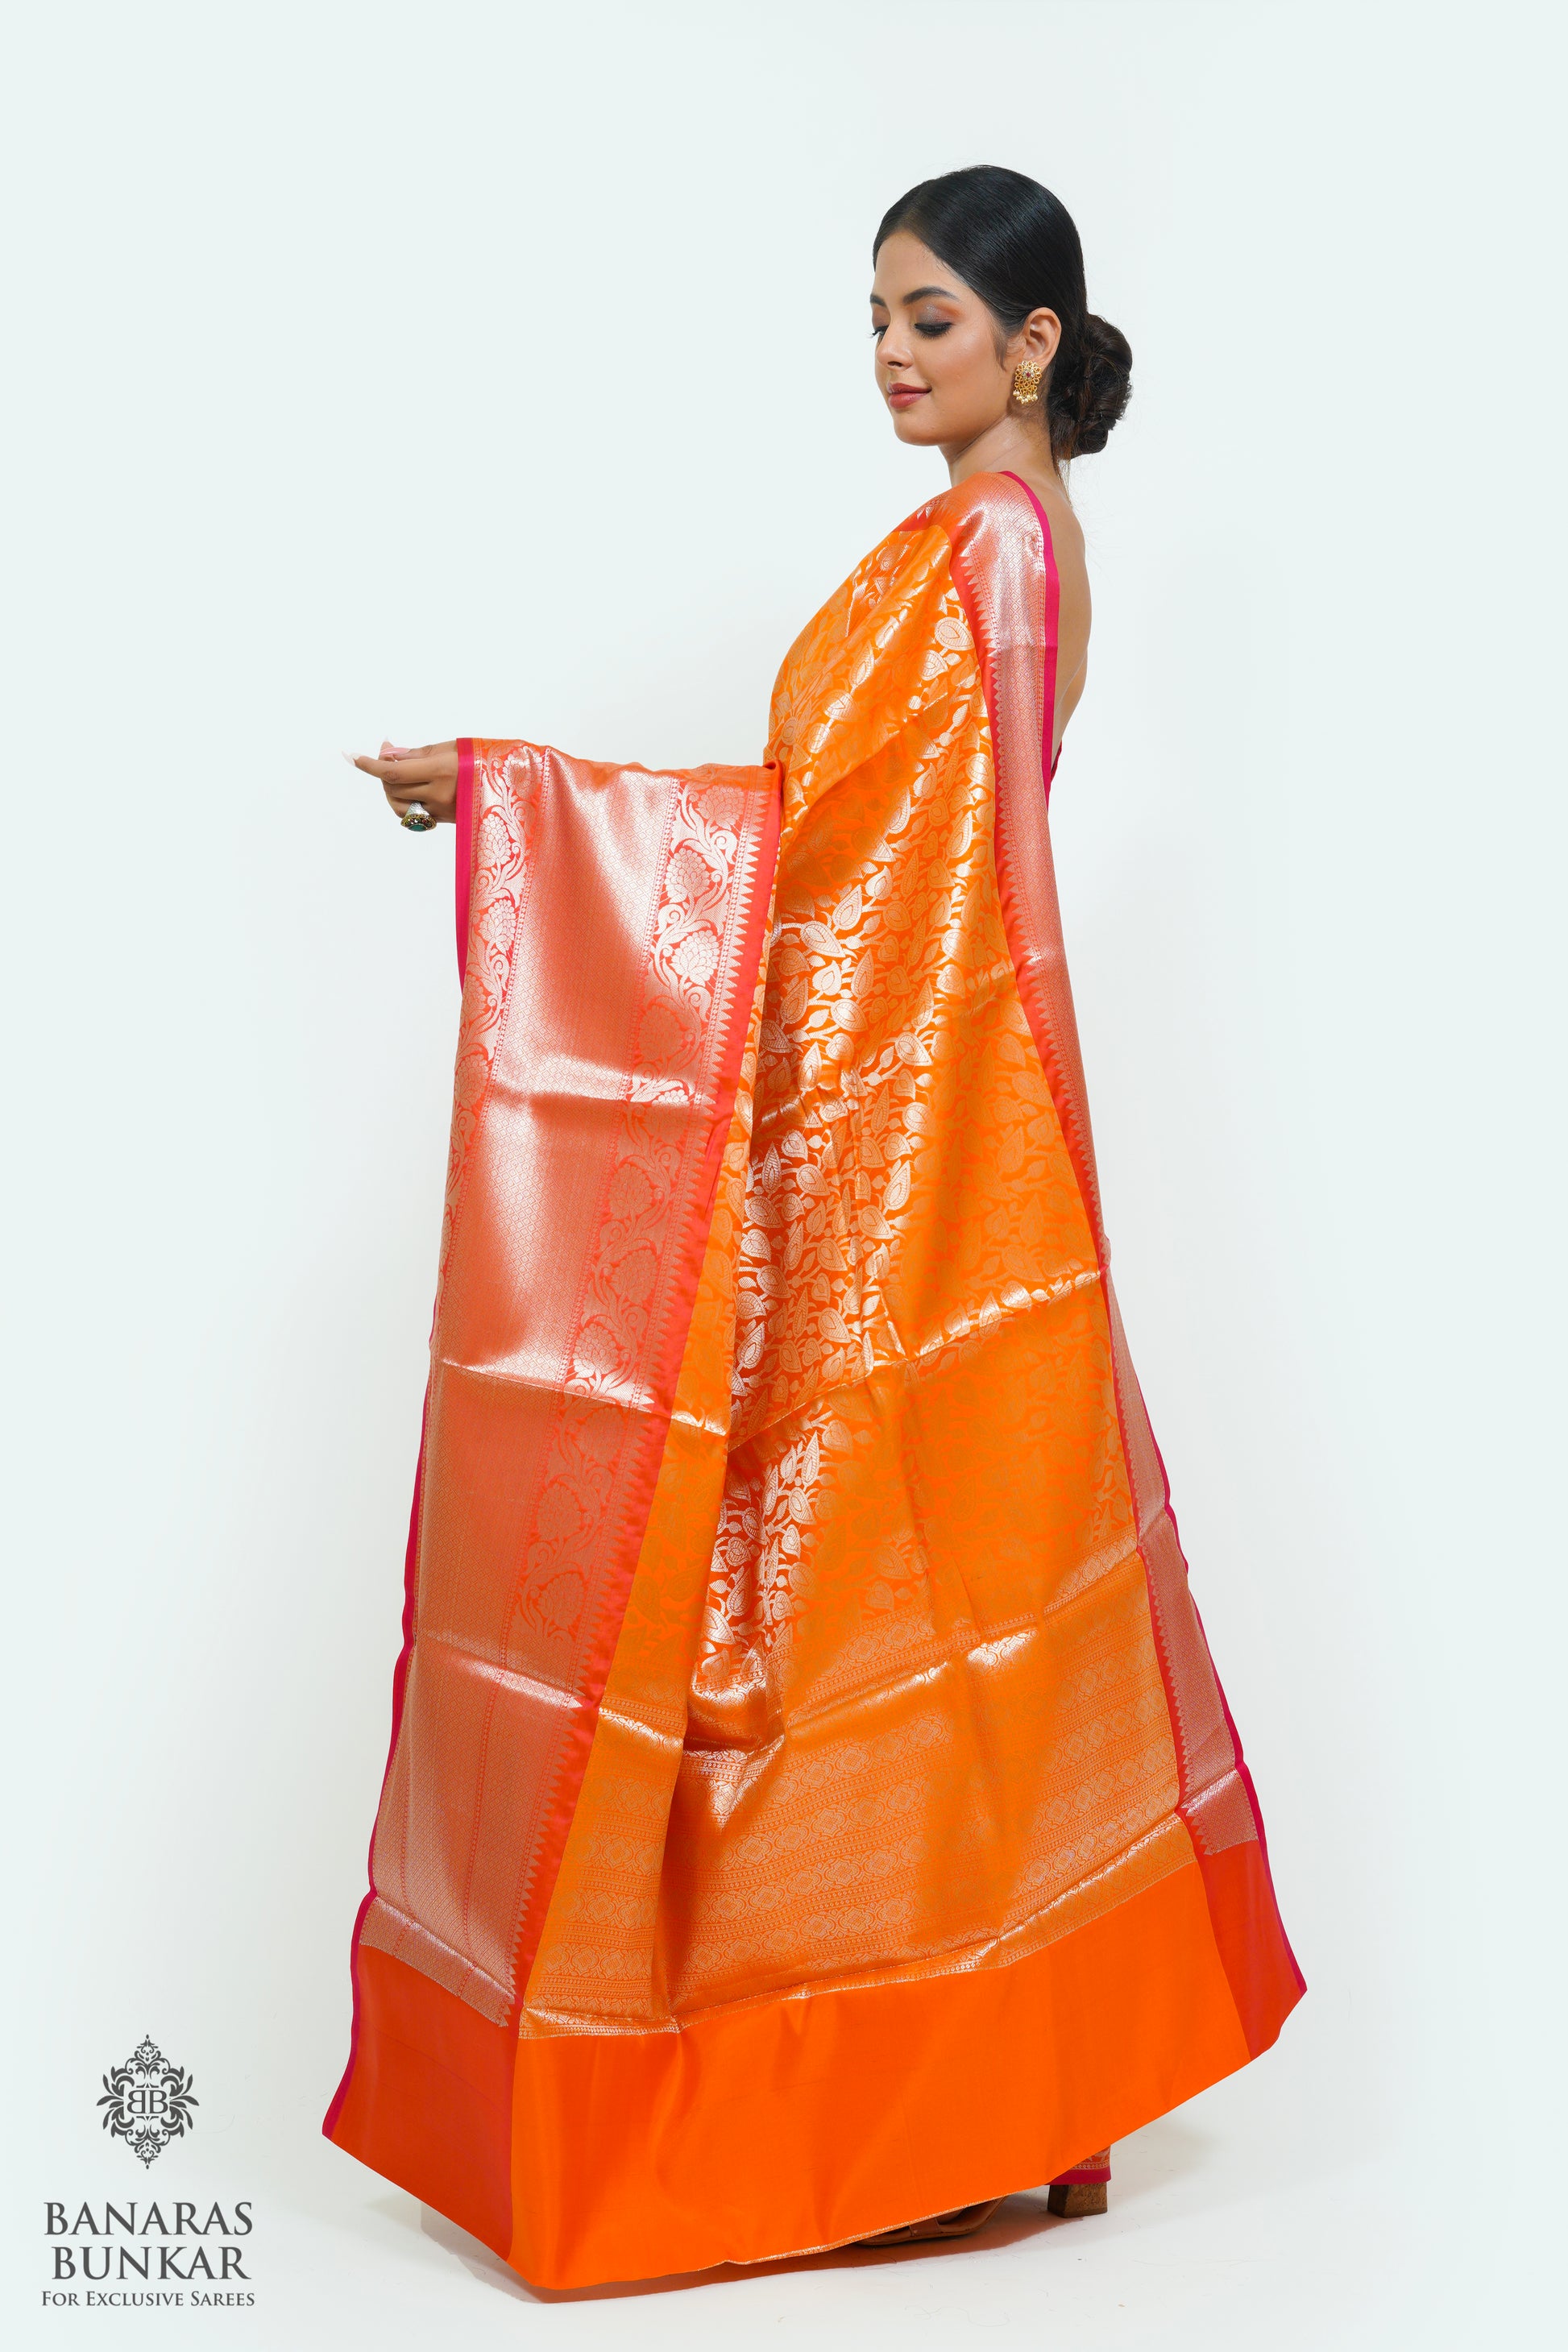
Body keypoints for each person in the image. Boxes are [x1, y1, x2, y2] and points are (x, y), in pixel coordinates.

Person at [326, 164, 1302, 2292]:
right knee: (934, 1625)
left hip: (924, 1156)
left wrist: (526, 803)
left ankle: (948, 2113)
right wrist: (519, 789)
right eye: (874, 316)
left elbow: (909, 888)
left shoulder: (991, 550)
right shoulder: (984, 543)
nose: (891, 354)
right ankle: (1001, 2106)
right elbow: (829, 841)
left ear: (1032, 343)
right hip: (915, 1137)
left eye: (932, 319)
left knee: (880, 1622)